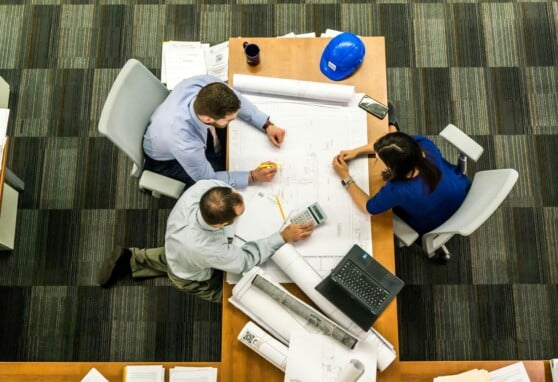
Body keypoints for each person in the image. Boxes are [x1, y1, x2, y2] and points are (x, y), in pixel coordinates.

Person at [97, 179, 314, 302]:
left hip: (176, 245)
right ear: (221, 225)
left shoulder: (204, 189)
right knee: (231, 294)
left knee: (173, 256)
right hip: (190, 273)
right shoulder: (209, 249)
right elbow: (244, 261)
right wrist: (282, 236)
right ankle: (136, 262)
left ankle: (132, 259)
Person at [331, 104, 470, 262]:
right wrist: (356, 151)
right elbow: (397, 145)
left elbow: (368, 207)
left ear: (393, 168)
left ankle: (392, 124)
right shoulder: (424, 145)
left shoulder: (398, 190)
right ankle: (392, 124)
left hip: (434, 222)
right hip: (462, 191)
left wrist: (346, 177)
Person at [143, 75, 286, 189]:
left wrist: (266, 125)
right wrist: (253, 177)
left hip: (168, 127)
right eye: (229, 120)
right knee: (217, 185)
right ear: (207, 118)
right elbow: (208, 179)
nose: (233, 121)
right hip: (166, 161)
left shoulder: (205, 84)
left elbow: (237, 100)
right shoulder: (185, 144)